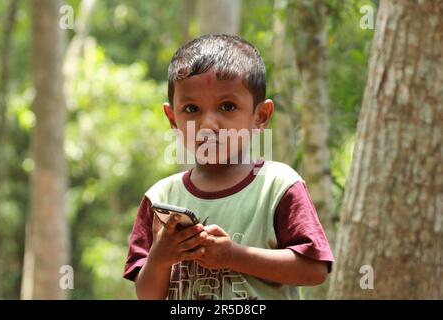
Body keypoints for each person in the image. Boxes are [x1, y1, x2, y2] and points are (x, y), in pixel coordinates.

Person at [123, 34, 334, 300]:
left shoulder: (278, 185)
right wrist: (160, 259)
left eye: (227, 106)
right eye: (191, 108)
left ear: (261, 116)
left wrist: (234, 256)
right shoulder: (160, 199)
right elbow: (147, 295)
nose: (209, 124)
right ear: (172, 118)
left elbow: (314, 270)